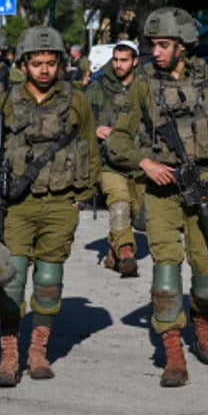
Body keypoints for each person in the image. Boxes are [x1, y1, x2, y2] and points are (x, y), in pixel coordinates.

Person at [107, 7, 208, 387]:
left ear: (183, 46)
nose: (156, 52)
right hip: (162, 194)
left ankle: (202, 317)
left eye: (164, 45)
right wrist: (145, 163)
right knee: (166, 271)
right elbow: (117, 140)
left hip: (206, 191)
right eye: (153, 45)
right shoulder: (144, 84)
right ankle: (172, 351)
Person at [0, 26, 101, 387]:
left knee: (48, 281)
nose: (44, 70)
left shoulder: (75, 100)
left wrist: (84, 193)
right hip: (16, 207)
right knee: (11, 282)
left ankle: (38, 352)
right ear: (23, 64)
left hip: (61, 204)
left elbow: (90, 149)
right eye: (37, 63)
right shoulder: (5, 101)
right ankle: (9, 354)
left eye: (50, 63)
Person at [85, 40, 145, 277]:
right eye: (116, 60)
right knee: (119, 205)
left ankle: (114, 250)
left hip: (140, 161)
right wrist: (94, 129)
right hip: (109, 162)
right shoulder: (97, 88)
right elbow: (78, 121)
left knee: (132, 209)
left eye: (124, 60)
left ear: (135, 61)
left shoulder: (145, 87)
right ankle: (126, 254)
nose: (119, 65)